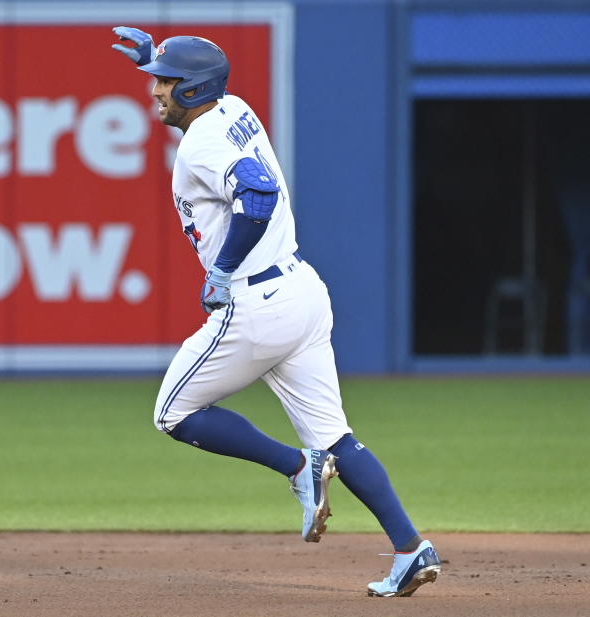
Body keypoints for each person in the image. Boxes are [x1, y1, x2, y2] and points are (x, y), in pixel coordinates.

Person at [111, 26, 441, 597]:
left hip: (255, 303)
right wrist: (156, 58)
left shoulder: (200, 142)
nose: (154, 91)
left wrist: (221, 269)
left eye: (164, 82)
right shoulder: (231, 106)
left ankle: (295, 466)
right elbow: (246, 168)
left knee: (173, 412)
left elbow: (257, 195)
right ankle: (412, 549)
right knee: (338, 438)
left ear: (193, 90)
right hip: (301, 292)